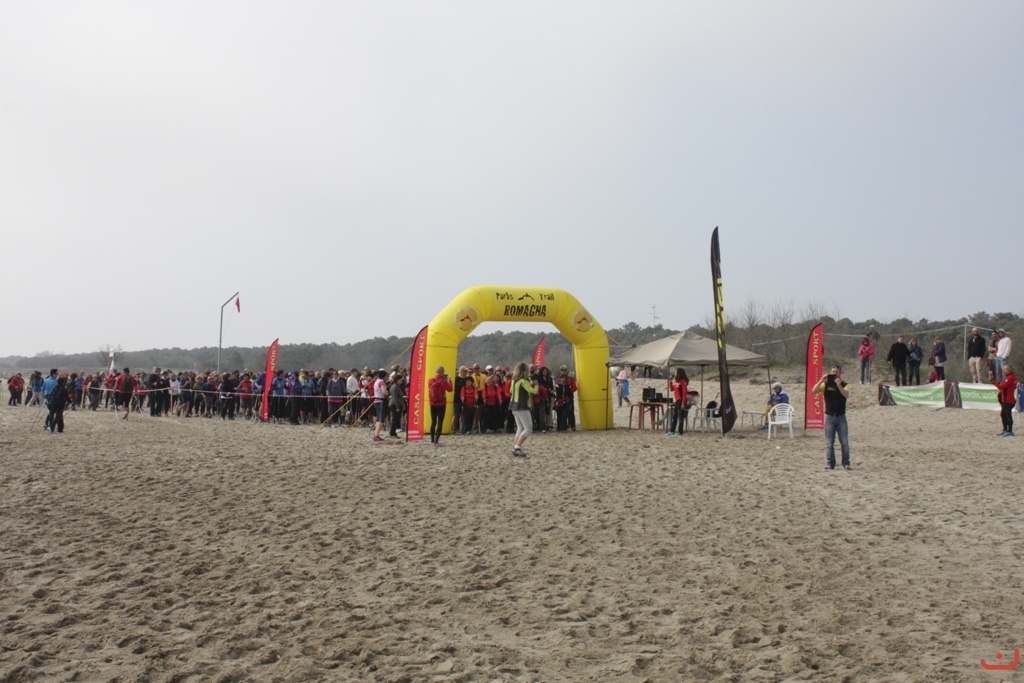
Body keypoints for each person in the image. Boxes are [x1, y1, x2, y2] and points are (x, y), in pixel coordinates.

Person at [813, 364, 851, 470]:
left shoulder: (844, 384)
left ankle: (846, 463)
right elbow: (814, 390)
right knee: (829, 443)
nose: (834, 374)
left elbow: (846, 395)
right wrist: (821, 380)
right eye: (833, 372)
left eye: (836, 372)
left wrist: (839, 386)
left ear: (840, 373)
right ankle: (830, 463)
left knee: (844, 442)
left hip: (841, 417)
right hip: (829, 417)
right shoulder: (826, 384)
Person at [509, 362, 538, 457]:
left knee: (520, 428)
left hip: (514, 405)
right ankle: (517, 447)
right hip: (522, 406)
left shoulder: (514, 381)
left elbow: (510, 391)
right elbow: (533, 391)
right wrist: (536, 385)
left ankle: (516, 446)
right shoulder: (523, 381)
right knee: (528, 429)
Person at [427, 366, 453, 447]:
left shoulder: (431, 380)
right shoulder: (444, 381)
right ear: (443, 372)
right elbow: (450, 389)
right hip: (441, 404)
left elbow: (429, 388)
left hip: (432, 403)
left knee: (433, 421)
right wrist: (450, 381)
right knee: (440, 422)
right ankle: (436, 440)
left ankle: (432, 440)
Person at [994, 363, 1017, 437]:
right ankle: (1005, 429)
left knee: (1007, 415)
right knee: (1004, 414)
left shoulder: (1010, 378)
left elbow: (1001, 387)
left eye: (1004, 369)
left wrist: (994, 382)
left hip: (1008, 400)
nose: (1003, 371)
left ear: (1008, 370)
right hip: (1006, 399)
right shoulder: (1010, 377)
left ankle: (1009, 430)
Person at [667, 368, 689, 436]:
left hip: (681, 400)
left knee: (680, 416)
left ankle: (680, 431)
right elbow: (672, 389)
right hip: (677, 400)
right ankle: (672, 430)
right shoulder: (676, 381)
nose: (674, 373)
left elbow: (685, 392)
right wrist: (670, 382)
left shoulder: (683, 381)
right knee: (675, 416)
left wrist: (683, 402)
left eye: (676, 372)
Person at [371, 369, 389, 442]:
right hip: (381, 401)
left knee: (379, 419)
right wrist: (387, 393)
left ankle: (376, 433)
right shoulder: (381, 382)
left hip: (376, 401)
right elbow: (384, 392)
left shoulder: (376, 381)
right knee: (381, 419)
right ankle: (376, 435)